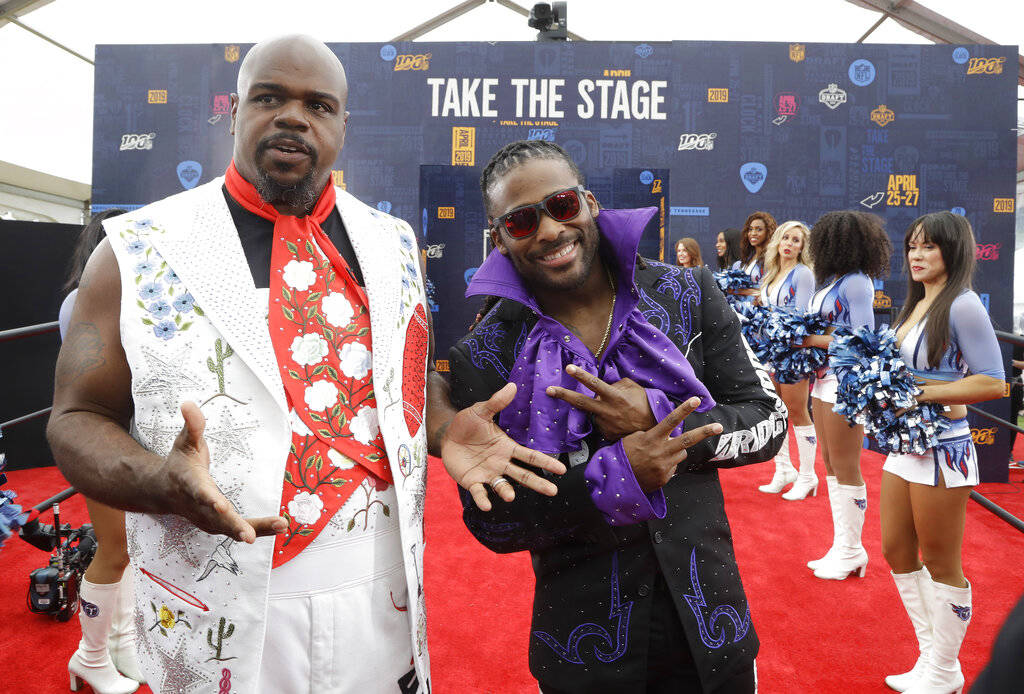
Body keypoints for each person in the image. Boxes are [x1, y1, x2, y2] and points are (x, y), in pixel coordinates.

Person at [47, 35, 561, 694]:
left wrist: (438, 427)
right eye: (270, 98)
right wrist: (157, 480)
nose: (295, 116)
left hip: (380, 596)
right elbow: (76, 417)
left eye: (318, 104)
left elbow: (396, 382)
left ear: (343, 125)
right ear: (233, 112)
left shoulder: (395, 245)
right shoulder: (135, 252)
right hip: (219, 605)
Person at [446, 140, 787, 693]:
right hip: (583, 653)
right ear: (499, 238)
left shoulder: (686, 293)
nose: (550, 231)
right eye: (521, 221)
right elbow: (494, 522)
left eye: (561, 206)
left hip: (711, 633)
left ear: (589, 203)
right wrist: (615, 478)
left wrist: (666, 428)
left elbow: (767, 420)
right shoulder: (487, 352)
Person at [880, 212, 1004, 693]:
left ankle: (944, 667)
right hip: (904, 445)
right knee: (895, 550)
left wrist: (921, 394)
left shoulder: (964, 304)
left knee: (940, 560)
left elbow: (994, 380)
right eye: (912, 246)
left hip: (944, 449)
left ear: (952, 252)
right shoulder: (917, 302)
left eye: (928, 247)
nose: (916, 255)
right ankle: (933, 659)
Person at [58, 209, 144, 694]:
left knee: (129, 550)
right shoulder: (82, 302)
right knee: (116, 550)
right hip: (102, 444)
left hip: (126, 443)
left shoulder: (114, 297)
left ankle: (121, 645)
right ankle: (90, 657)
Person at [802, 210, 891, 581]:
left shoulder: (857, 283)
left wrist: (812, 340)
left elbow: (864, 339)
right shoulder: (833, 281)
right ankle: (843, 545)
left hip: (846, 381)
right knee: (829, 460)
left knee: (845, 463)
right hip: (823, 379)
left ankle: (853, 549)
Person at [754, 221, 818, 499]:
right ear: (778, 241)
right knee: (777, 410)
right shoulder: (772, 273)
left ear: (803, 248)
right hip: (770, 351)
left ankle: (808, 475)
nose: (790, 244)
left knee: (797, 411)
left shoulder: (803, 274)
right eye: (786, 238)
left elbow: (801, 319)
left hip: (793, 353)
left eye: (796, 240)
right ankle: (783, 470)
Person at [732, 212, 776, 284]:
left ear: (768, 232)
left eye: (759, 229)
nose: (753, 233)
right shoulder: (746, 259)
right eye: (750, 229)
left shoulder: (772, 260)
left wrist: (743, 292)